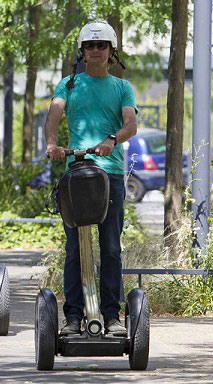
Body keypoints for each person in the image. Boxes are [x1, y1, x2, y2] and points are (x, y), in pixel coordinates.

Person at [44, 21, 137, 336]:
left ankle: (111, 316)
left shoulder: (122, 87)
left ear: (111, 52)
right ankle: (73, 316)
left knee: (110, 246)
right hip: (76, 172)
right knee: (75, 248)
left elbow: (130, 125)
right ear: (82, 52)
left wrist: (112, 139)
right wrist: (52, 145)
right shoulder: (68, 85)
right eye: (90, 46)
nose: (96, 51)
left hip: (109, 175)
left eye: (102, 46)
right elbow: (53, 116)